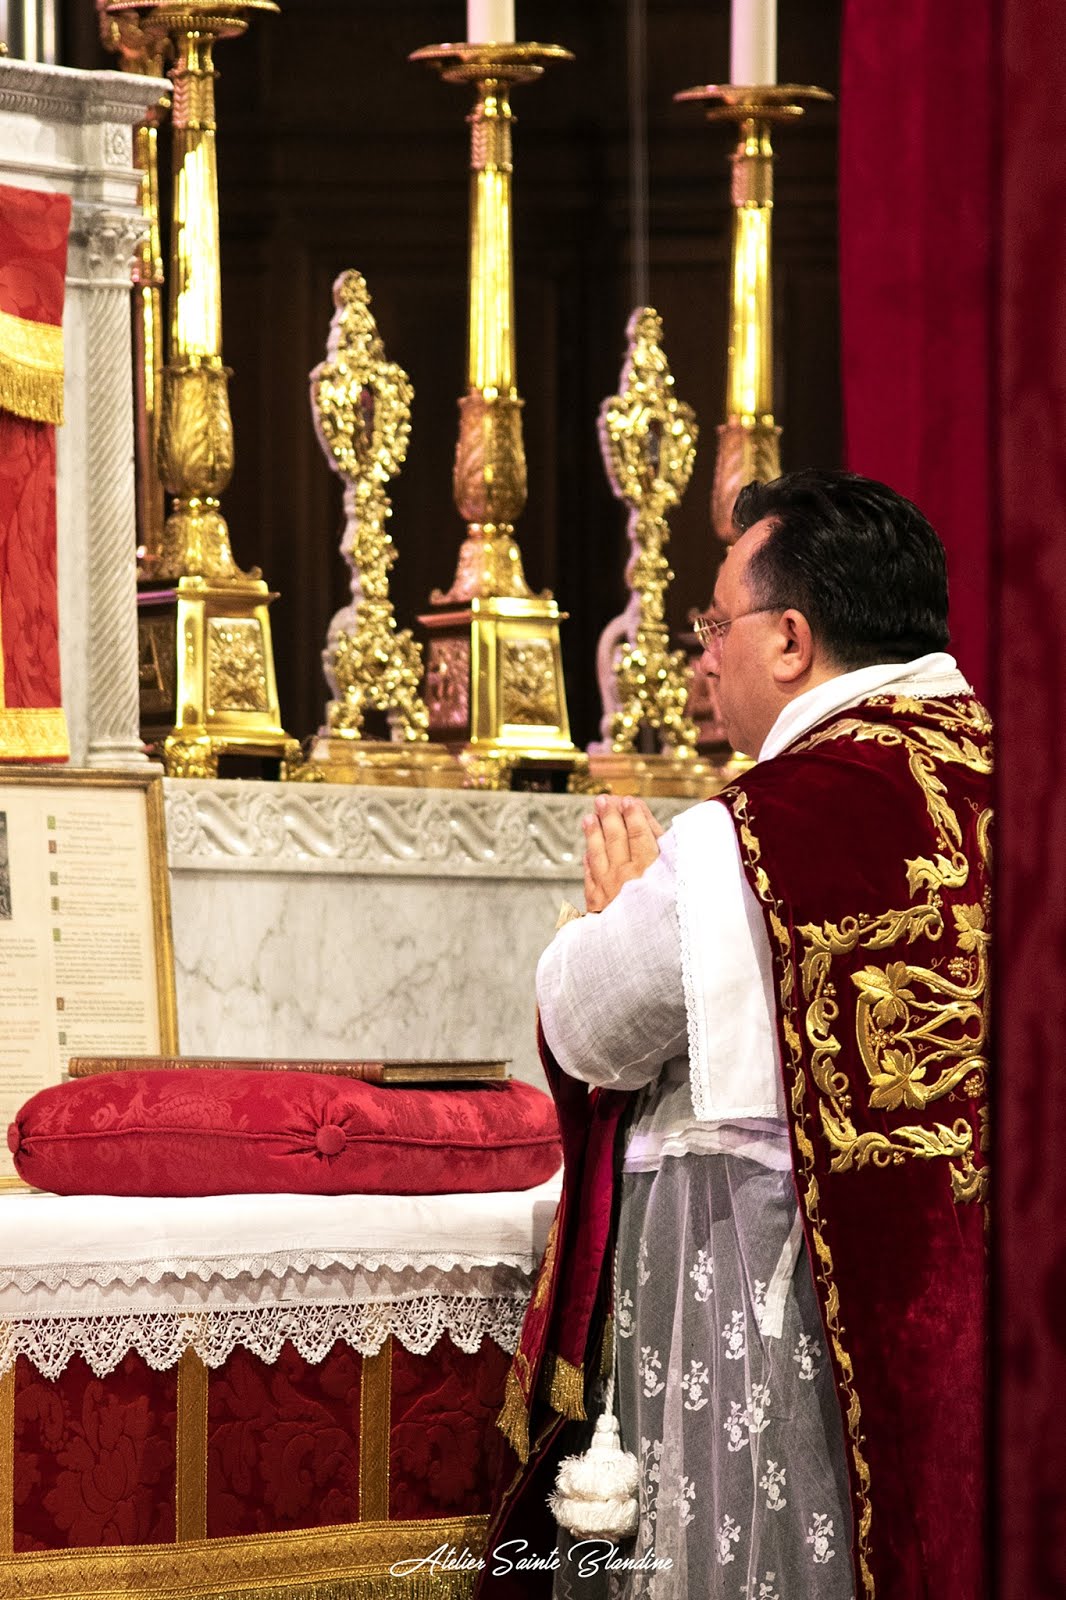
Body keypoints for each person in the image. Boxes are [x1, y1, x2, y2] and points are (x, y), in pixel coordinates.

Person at [489, 469, 989, 1600]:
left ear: (792, 639)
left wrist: (612, 916)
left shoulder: (750, 834)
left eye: (716, 623)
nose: (701, 654)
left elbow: (586, 1019)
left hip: (799, 1343)